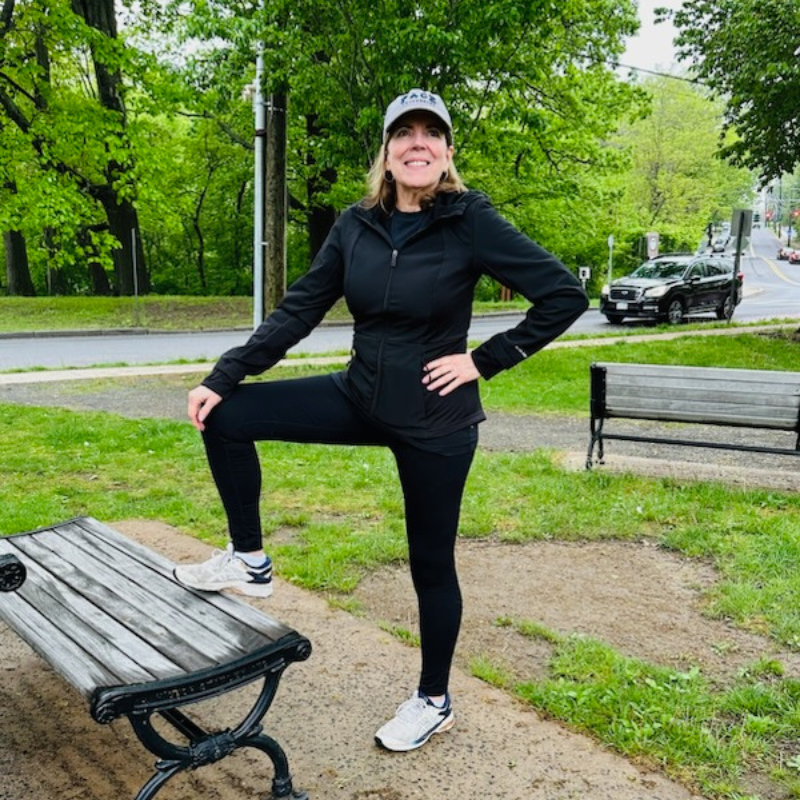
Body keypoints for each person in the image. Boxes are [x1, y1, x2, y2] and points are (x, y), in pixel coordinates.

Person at [173, 88, 589, 752]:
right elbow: (299, 310)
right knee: (226, 416)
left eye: (431, 133)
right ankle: (249, 561)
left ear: (446, 152)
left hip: (436, 418)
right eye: (405, 133)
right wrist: (224, 374)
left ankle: (433, 701)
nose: (418, 143)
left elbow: (564, 294)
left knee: (430, 563)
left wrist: (483, 361)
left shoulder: (471, 221)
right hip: (360, 395)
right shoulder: (355, 225)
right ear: (388, 152)